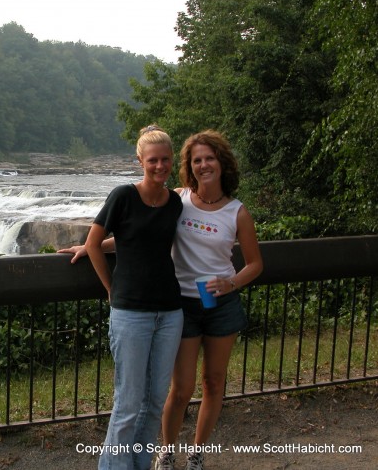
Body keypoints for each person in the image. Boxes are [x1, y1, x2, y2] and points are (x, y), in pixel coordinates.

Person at [59, 129, 263, 470]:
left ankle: (191, 455)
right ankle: (153, 455)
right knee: (158, 394)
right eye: (196, 160)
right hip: (171, 304)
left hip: (198, 307)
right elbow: (132, 233)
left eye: (209, 158)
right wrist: (93, 250)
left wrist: (231, 284)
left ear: (221, 162)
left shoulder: (213, 208)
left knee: (188, 389)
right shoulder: (170, 199)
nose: (203, 165)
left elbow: (254, 263)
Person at [82, 125, 184, 470]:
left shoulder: (174, 202)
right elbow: (95, 242)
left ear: (172, 161)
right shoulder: (122, 196)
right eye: (152, 160)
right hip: (130, 313)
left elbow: (143, 237)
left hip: (170, 311)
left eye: (165, 159)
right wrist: (111, 288)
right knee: (128, 403)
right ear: (139, 160)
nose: (159, 166)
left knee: (155, 400)